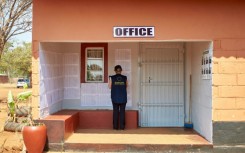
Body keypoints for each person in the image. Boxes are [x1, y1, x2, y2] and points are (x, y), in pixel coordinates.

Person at [108, 65, 128, 130]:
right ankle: (122, 127)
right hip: (123, 97)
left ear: (115, 70)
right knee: (122, 112)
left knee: (115, 112)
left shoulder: (111, 78)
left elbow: (109, 87)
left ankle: (115, 127)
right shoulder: (125, 78)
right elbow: (126, 86)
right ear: (121, 70)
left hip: (114, 97)